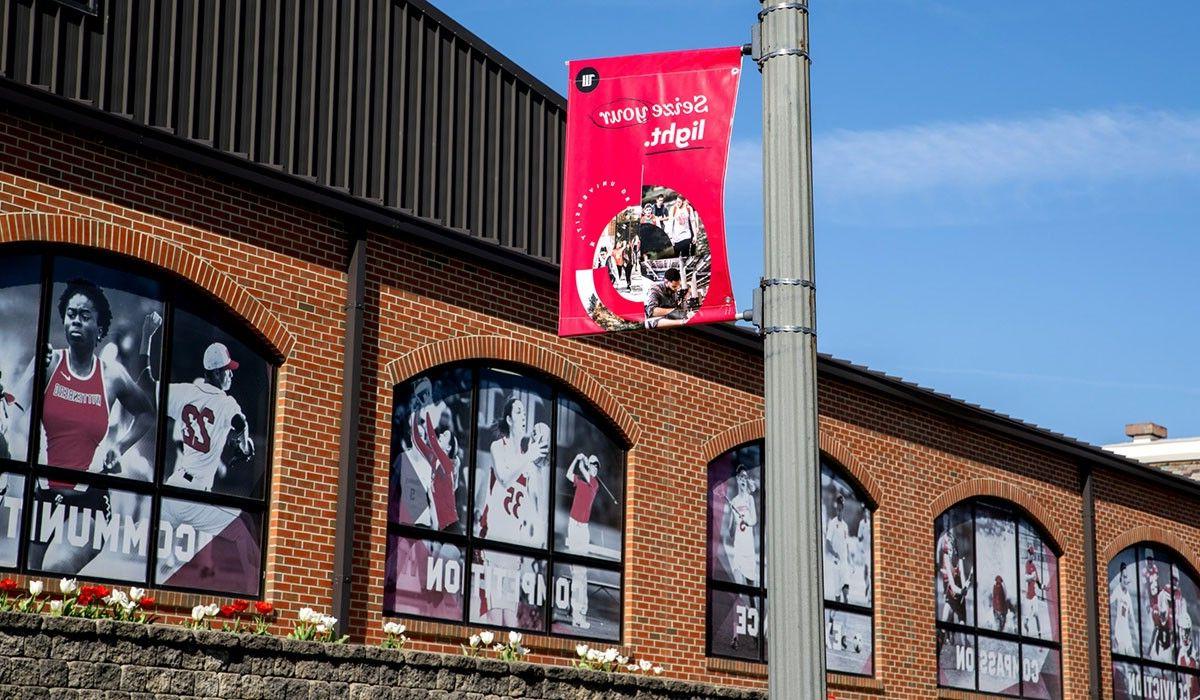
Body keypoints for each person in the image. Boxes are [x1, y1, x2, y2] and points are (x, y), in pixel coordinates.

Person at [11, 278, 156, 574]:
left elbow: (147, 413)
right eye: (71, 313)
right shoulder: (49, 363)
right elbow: (16, 409)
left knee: (54, 571)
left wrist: (119, 445)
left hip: (89, 499)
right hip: (45, 493)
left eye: (85, 315)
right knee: (28, 582)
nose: (76, 320)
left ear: (99, 328)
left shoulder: (112, 375)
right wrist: (34, 372)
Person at [140, 312, 257, 584]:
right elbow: (240, 424)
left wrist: (147, 337)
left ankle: (147, 585)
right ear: (217, 373)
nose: (231, 375)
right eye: (228, 370)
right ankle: (253, 592)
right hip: (194, 495)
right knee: (241, 530)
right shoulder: (227, 403)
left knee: (167, 558)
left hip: (174, 486)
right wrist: (242, 443)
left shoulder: (184, 392)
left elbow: (146, 386)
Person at [477, 395, 548, 627]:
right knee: (494, 614)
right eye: (518, 411)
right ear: (509, 418)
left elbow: (535, 501)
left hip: (513, 541)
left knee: (511, 617)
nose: (523, 415)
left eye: (524, 411)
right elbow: (505, 477)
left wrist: (540, 458)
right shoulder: (498, 446)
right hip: (494, 536)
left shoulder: (528, 460)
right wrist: (529, 455)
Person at [391, 375, 460, 531]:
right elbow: (416, 434)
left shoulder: (444, 460)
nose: (440, 435)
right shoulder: (416, 409)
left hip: (447, 522)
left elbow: (431, 435)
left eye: (443, 436)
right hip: (433, 519)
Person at [564, 452, 601, 628]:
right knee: (574, 571)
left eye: (596, 466)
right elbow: (568, 473)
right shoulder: (580, 481)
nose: (593, 468)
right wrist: (576, 458)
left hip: (583, 529)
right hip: (573, 525)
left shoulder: (594, 484)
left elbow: (582, 470)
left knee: (581, 572)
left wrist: (583, 461)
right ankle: (576, 615)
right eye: (592, 464)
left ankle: (581, 614)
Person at [723, 465, 758, 587]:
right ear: (737, 479)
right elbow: (731, 533)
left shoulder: (750, 499)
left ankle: (753, 606)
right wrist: (733, 514)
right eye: (742, 477)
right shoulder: (734, 502)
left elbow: (754, 520)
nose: (744, 480)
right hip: (738, 547)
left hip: (749, 547)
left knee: (751, 589)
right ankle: (740, 605)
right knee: (739, 587)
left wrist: (747, 521)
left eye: (746, 477)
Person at [937, 524, 972, 624]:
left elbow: (964, 580)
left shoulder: (959, 561)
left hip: (959, 595)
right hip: (952, 592)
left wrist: (967, 586)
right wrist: (961, 591)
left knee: (962, 624)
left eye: (953, 550)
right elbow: (952, 585)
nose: (951, 553)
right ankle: (945, 636)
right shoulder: (947, 559)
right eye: (949, 550)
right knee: (945, 619)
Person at [825, 493, 852, 604]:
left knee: (846, 590)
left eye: (841, 509)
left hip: (844, 564)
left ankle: (846, 617)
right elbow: (827, 543)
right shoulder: (832, 523)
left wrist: (851, 562)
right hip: (836, 564)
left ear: (843, 509)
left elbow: (847, 545)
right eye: (838, 509)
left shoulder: (845, 526)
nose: (839, 512)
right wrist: (834, 553)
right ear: (837, 509)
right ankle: (833, 616)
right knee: (837, 596)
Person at [1111, 561, 1137, 656]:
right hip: (1119, 631)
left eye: (1127, 577)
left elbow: (1132, 618)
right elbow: (1108, 602)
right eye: (1124, 577)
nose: (1126, 580)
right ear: (1120, 578)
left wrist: (1137, 634)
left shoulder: (1128, 596)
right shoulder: (1117, 590)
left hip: (1127, 633)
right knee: (1122, 653)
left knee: (1132, 654)